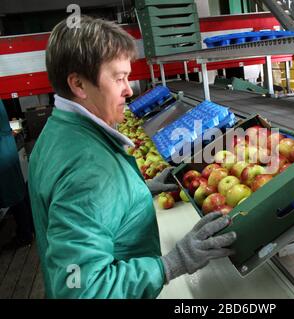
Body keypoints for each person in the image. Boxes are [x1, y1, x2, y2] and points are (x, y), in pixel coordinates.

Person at [28, 16, 236, 299]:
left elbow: (84, 210)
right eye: (119, 78)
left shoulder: (57, 133)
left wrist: (135, 190)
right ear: (78, 84)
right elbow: (82, 291)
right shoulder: (90, 170)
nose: (128, 89)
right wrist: (171, 265)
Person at [0, 99, 34, 250]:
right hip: (6, 146)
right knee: (18, 190)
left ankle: (25, 235)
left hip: (2, 151)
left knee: (14, 194)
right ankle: (30, 228)